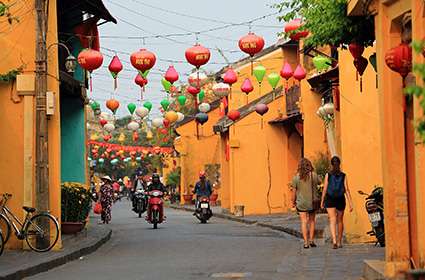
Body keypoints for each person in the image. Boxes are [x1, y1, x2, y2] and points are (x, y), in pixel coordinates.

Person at [321, 156, 353, 249]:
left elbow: (325, 189)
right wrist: (350, 203)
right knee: (340, 221)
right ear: (339, 164)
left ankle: (334, 241)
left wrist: (322, 201)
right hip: (340, 199)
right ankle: (339, 242)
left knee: (332, 220)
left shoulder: (328, 175)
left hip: (330, 198)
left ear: (331, 164)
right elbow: (347, 189)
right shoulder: (343, 175)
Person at [291, 158, 321, 249]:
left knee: (304, 221)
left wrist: (292, 202)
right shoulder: (314, 176)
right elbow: (320, 182)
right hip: (312, 202)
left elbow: (294, 193)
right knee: (312, 221)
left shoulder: (296, 178)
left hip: (301, 203)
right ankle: (311, 240)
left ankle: (305, 242)